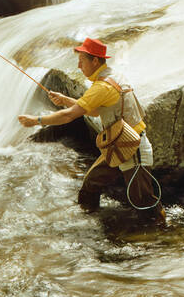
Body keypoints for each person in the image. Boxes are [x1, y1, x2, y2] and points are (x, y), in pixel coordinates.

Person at [18, 37, 166, 225]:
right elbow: (96, 110)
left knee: (143, 201)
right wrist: (66, 99)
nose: (79, 66)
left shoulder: (101, 87)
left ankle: (162, 235)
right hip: (118, 144)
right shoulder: (113, 77)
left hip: (133, 149)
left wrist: (36, 120)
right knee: (91, 184)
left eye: (82, 61)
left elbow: (67, 117)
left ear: (95, 61)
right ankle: (90, 225)